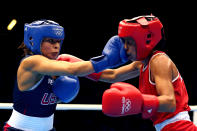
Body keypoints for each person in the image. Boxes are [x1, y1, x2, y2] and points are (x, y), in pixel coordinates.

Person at [60, 15, 197, 131]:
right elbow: (112, 75)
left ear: (146, 41)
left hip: (179, 127)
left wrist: (140, 102)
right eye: (124, 42)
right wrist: (77, 65)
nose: (124, 48)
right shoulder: (142, 63)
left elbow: (170, 102)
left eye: (129, 43)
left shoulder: (159, 61)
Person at [3, 19, 128, 131]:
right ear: (34, 40)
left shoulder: (62, 61)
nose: (56, 46)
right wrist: (106, 59)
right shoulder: (31, 62)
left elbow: (111, 75)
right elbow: (73, 70)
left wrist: (137, 65)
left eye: (58, 41)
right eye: (51, 41)